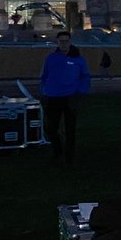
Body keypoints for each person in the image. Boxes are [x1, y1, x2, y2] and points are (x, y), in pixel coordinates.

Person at [40, 31, 90, 167]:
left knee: (70, 129)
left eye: (66, 41)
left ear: (70, 42)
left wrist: (80, 92)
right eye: (61, 41)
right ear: (57, 42)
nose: (63, 44)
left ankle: (69, 157)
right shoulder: (51, 58)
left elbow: (85, 76)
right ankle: (58, 151)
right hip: (52, 96)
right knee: (50, 128)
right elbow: (44, 76)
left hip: (70, 97)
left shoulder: (78, 59)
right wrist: (44, 90)